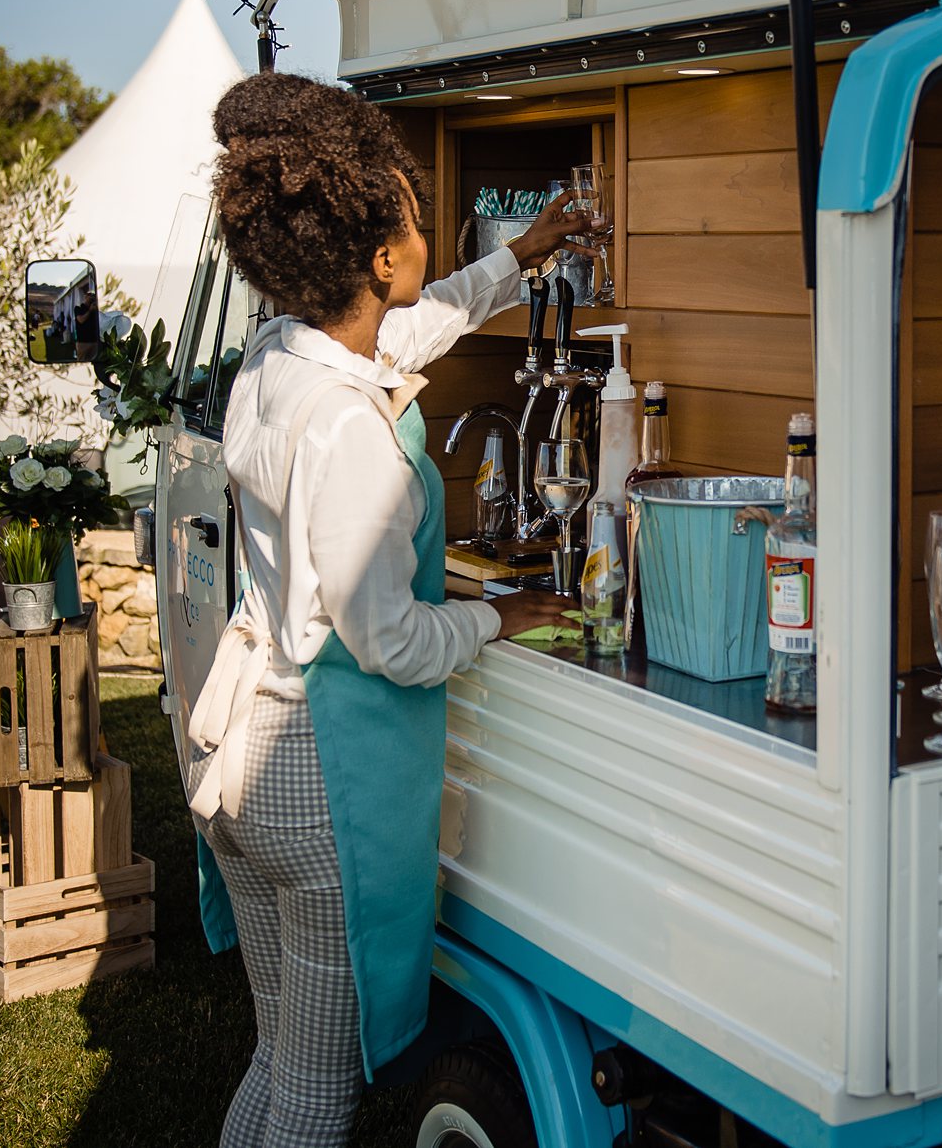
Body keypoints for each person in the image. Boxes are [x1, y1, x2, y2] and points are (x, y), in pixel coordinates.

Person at [183, 72, 585, 1147]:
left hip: (237, 754)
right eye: (412, 215)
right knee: (318, 1095)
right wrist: (507, 613)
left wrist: (524, 250)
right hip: (314, 781)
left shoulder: (277, 361)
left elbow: (414, 330)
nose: (423, 227)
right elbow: (391, 640)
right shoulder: (349, 428)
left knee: (275, 1057)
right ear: (374, 258)